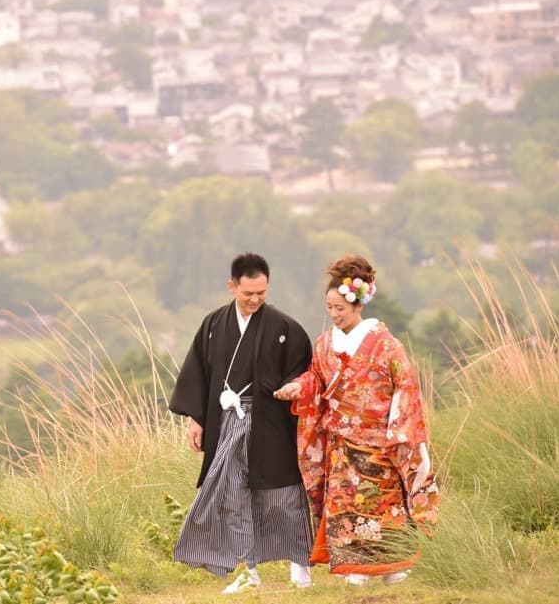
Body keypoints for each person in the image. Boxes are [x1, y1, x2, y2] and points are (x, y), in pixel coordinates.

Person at [274, 254, 439, 585]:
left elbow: (406, 387)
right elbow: (315, 380)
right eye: (330, 307)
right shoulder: (324, 345)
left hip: (380, 440)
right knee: (348, 505)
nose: (334, 315)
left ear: (358, 305)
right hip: (342, 444)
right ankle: (354, 567)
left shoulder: (385, 344)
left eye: (340, 309)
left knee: (384, 504)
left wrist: (402, 434)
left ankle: (392, 564)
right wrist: (297, 387)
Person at [169, 252, 315, 594]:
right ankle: (248, 569)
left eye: (261, 293)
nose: (255, 299)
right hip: (227, 422)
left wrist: (294, 387)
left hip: (270, 423)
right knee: (233, 494)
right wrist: (197, 419)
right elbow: (200, 375)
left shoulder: (284, 327)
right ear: (232, 286)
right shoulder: (213, 325)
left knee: (284, 496)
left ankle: (301, 566)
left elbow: (303, 370)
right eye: (248, 293)